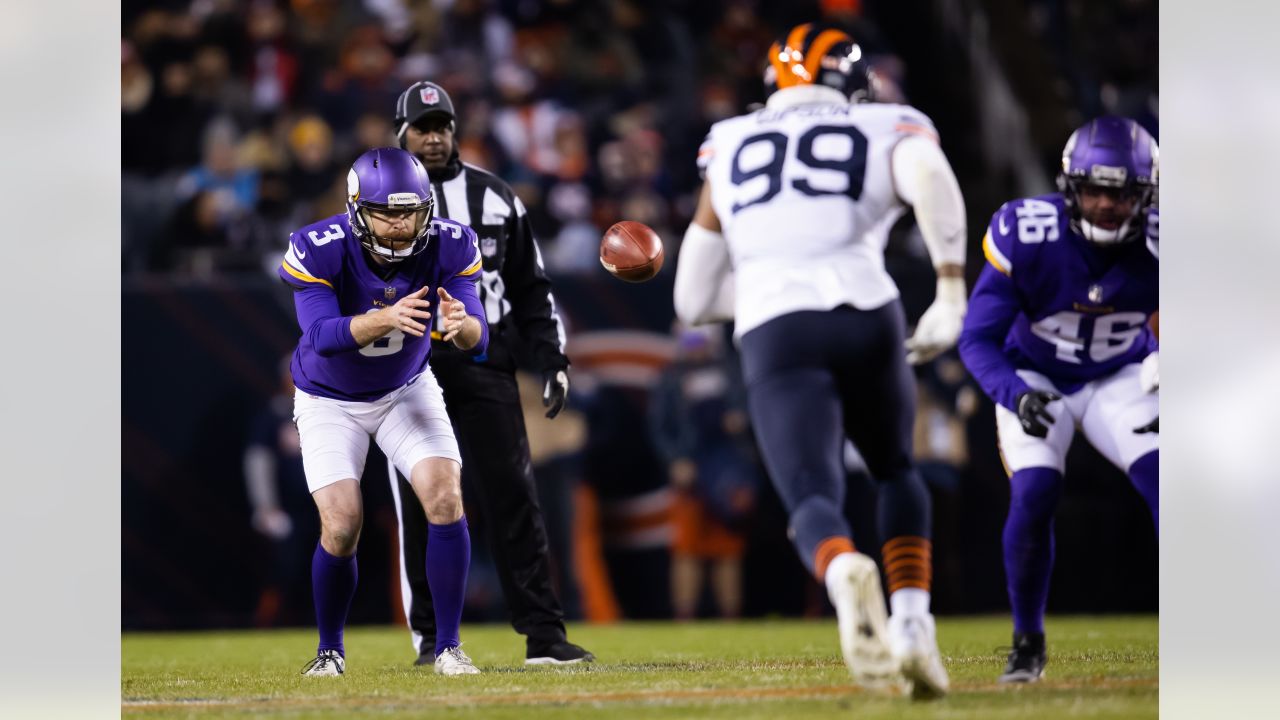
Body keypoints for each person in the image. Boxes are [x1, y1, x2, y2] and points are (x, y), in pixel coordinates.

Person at [673, 23, 968, 699]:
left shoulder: (729, 142)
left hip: (776, 322)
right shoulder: (888, 123)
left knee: (811, 496)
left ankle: (840, 573)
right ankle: (915, 626)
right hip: (869, 308)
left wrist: (761, 294)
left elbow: (692, 297)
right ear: (849, 85)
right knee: (897, 470)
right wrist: (950, 287)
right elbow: (931, 177)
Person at [386, 81, 593, 666]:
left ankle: (544, 637)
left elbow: (533, 290)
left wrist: (551, 359)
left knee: (514, 500)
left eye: (442, 126)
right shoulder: (379, 201)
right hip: (410, 368)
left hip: (485, 362)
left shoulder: (496, 197)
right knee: (423, 501)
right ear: (401, 133)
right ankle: (432, 639)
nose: (433, 137)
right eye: (422, 127)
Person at [957, 116, 1159, 683]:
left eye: (1120, 193)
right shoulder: (1028, 233)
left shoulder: (1169, 240)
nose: (1105, 205)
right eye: (1094, 190)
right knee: (1037, 488)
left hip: (1120, 375)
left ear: (1145, 196)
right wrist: (1015, 394)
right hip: (1035, 373)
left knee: (1169, 483)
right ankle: (1027, 641)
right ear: (1071, 188)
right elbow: (976, 338)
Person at [279, 146, 488, 677]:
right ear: (356, 209)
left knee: (445, 496)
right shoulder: (317, 246)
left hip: (405, 389)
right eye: (385, 213)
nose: (399, 226)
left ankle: (448, 648)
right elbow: (321, 336)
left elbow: (476, 336)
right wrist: (385, 318)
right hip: (329, 398)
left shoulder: (450, 241)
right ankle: (329, 651)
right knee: (343, 522)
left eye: (409, 212)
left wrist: (461, 323)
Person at [649, 326, 759, 620]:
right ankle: (684, 619)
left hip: (728, 469)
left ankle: (730, 619)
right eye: (689, 340)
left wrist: (740, 421)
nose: (695, 347)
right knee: (686, 549)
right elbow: (660, 427)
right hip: (692, 469)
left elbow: (753, 408)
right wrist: (676, 460)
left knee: (728, 549)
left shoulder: (732, 371)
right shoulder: (671, 377)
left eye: (700, 340)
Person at [243, 357, 318, 628]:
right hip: (289, 508)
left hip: (322, 505)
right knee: (285, 568)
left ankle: (321, 620)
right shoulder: (274, 416)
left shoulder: (323, 409)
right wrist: (266, 506)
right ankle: (266, 621)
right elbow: (258, 462)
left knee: (325, 564)